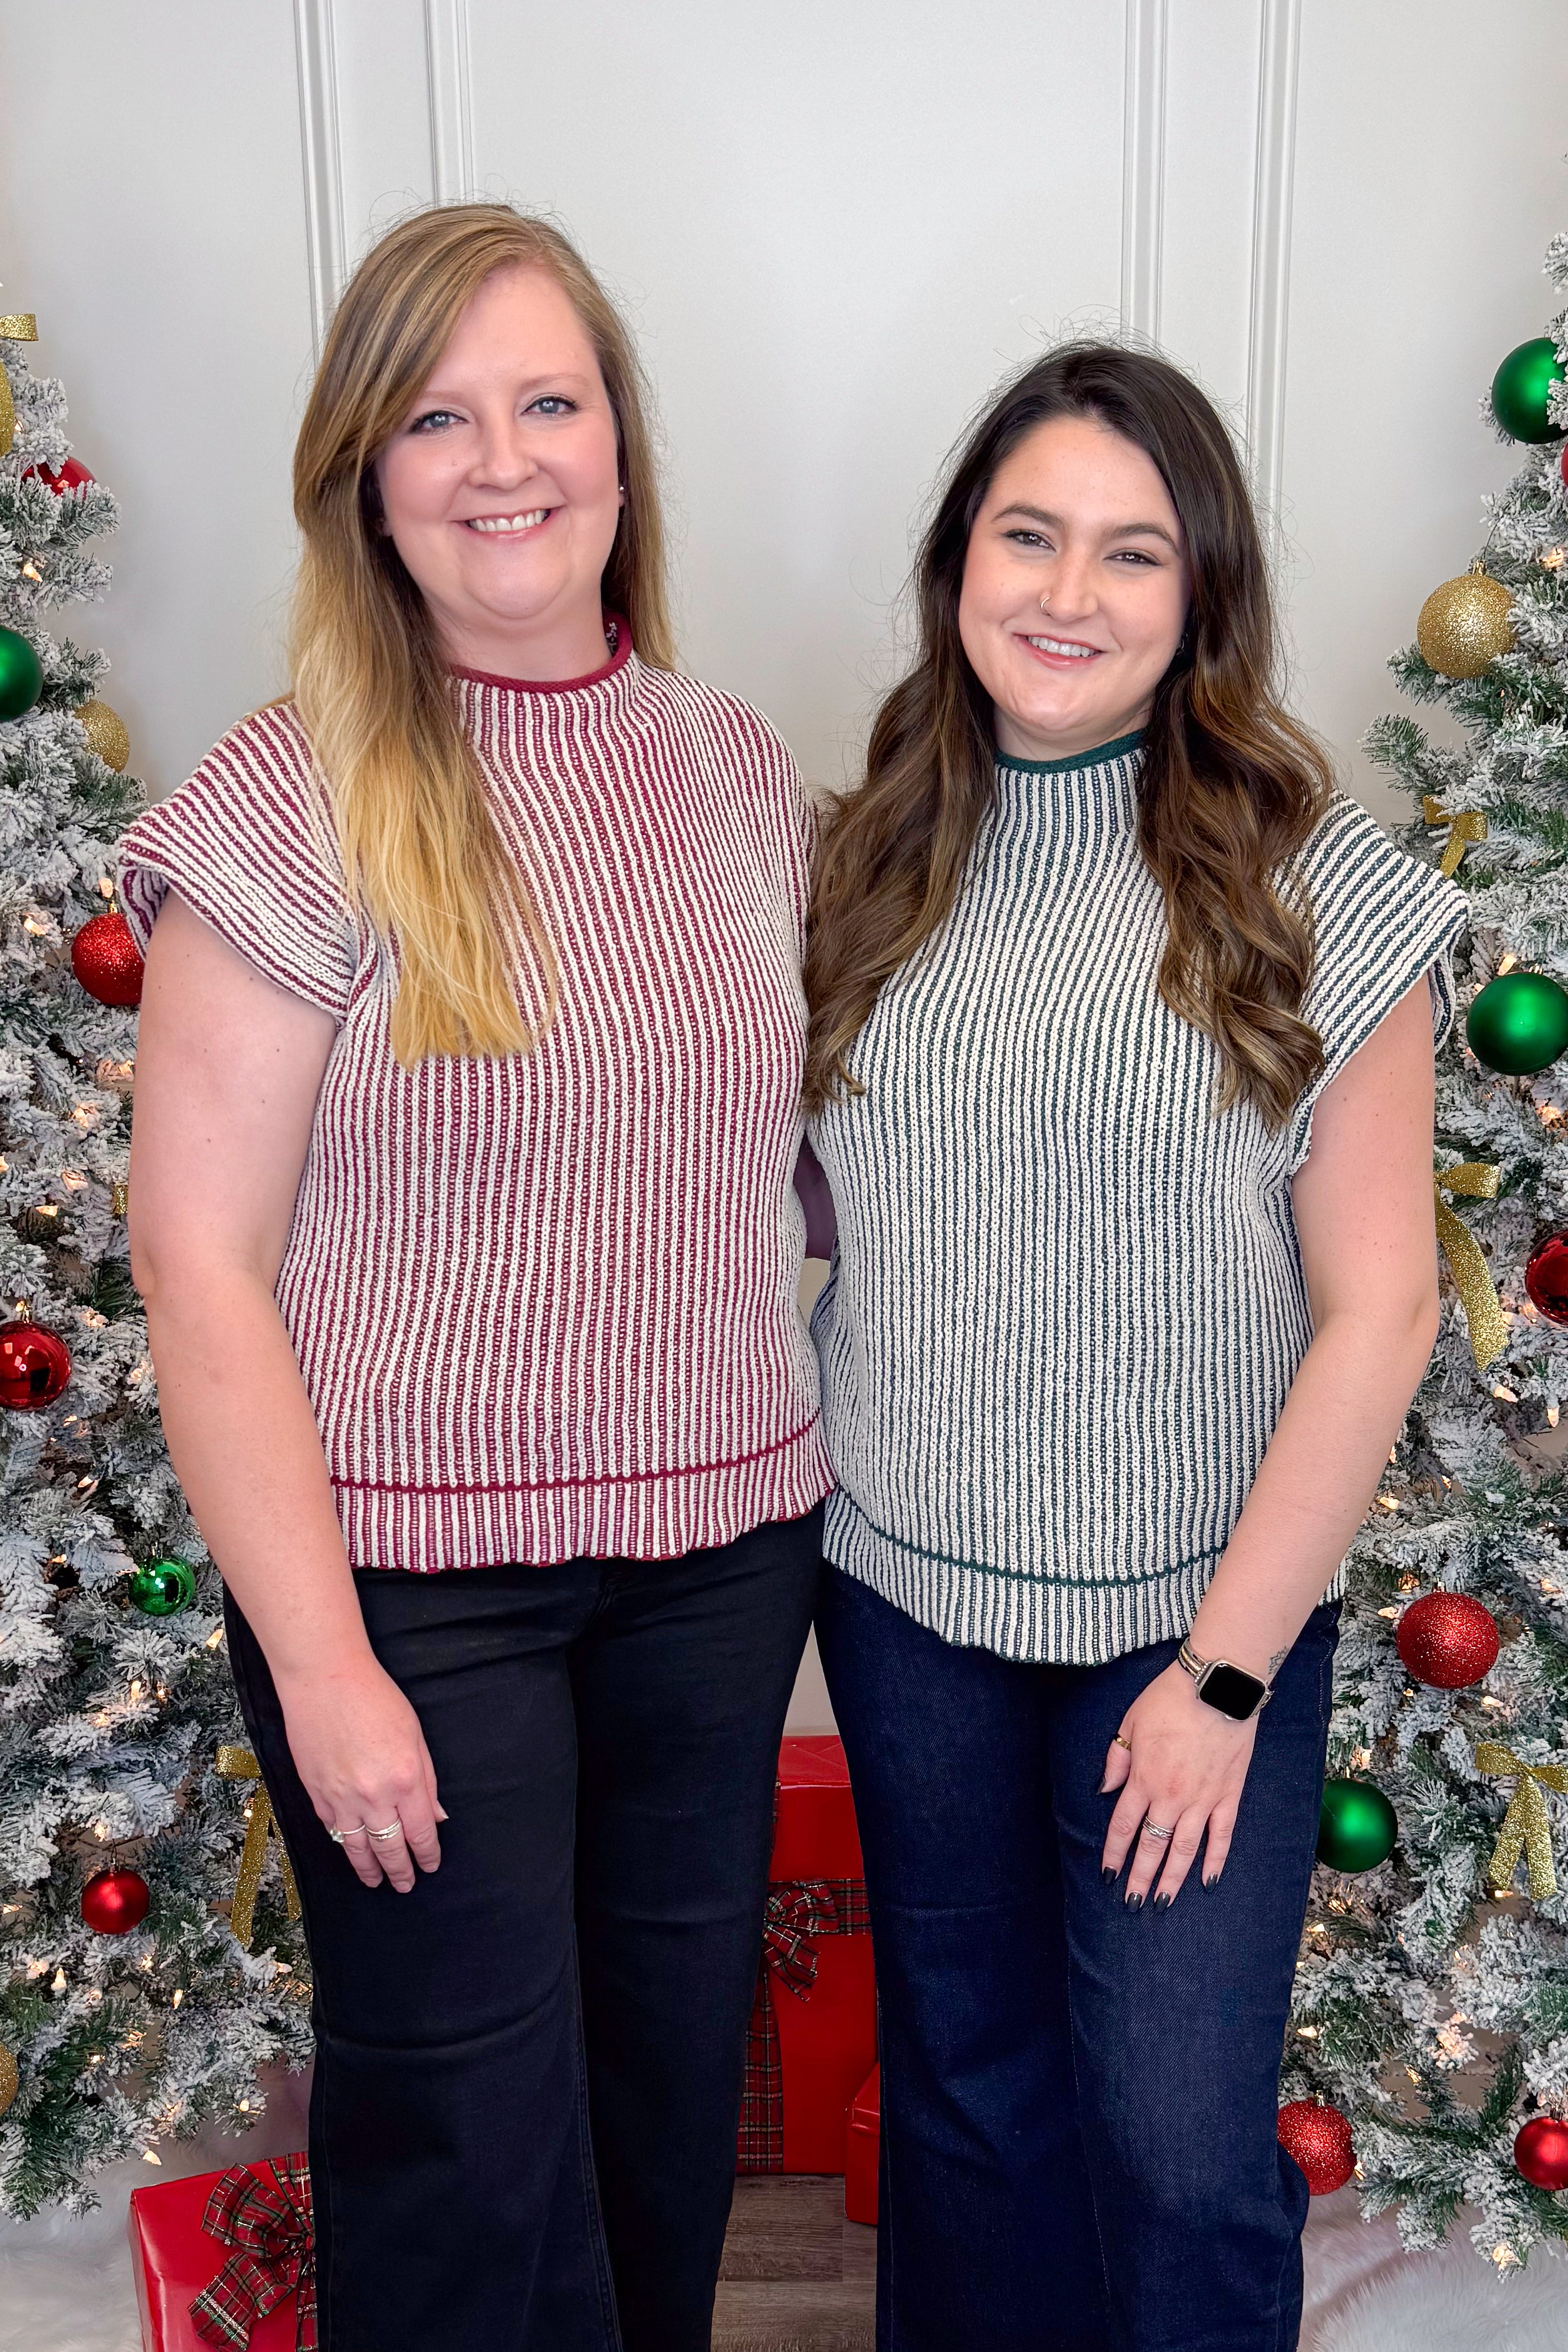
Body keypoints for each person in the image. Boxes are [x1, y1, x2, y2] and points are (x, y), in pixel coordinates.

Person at [121, 203, 832, 2352]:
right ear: (366, 470)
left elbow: (791, 1171)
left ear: (619, 446)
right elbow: (202, 1263)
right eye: (436, 415)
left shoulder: (734, 777)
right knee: (463, 2128)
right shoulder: (287, 801)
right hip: (413, 1590)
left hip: (719, 1562)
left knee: (659, 2091)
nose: (500, 458)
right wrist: (325, 1669)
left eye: (546, 400)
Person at [803, 343, 1465, 2351]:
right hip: (906, 1601)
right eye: (1026, 534)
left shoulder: (1310, 888)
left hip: (1188, 1630)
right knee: (971, 2112)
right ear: (956, 565)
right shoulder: (859, 871)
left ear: (1199, 600)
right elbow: (832, 1213)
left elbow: (1385, 1307)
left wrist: (1223, 1673)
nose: (1065, 594)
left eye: (1129, 552)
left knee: (1174, 2150)